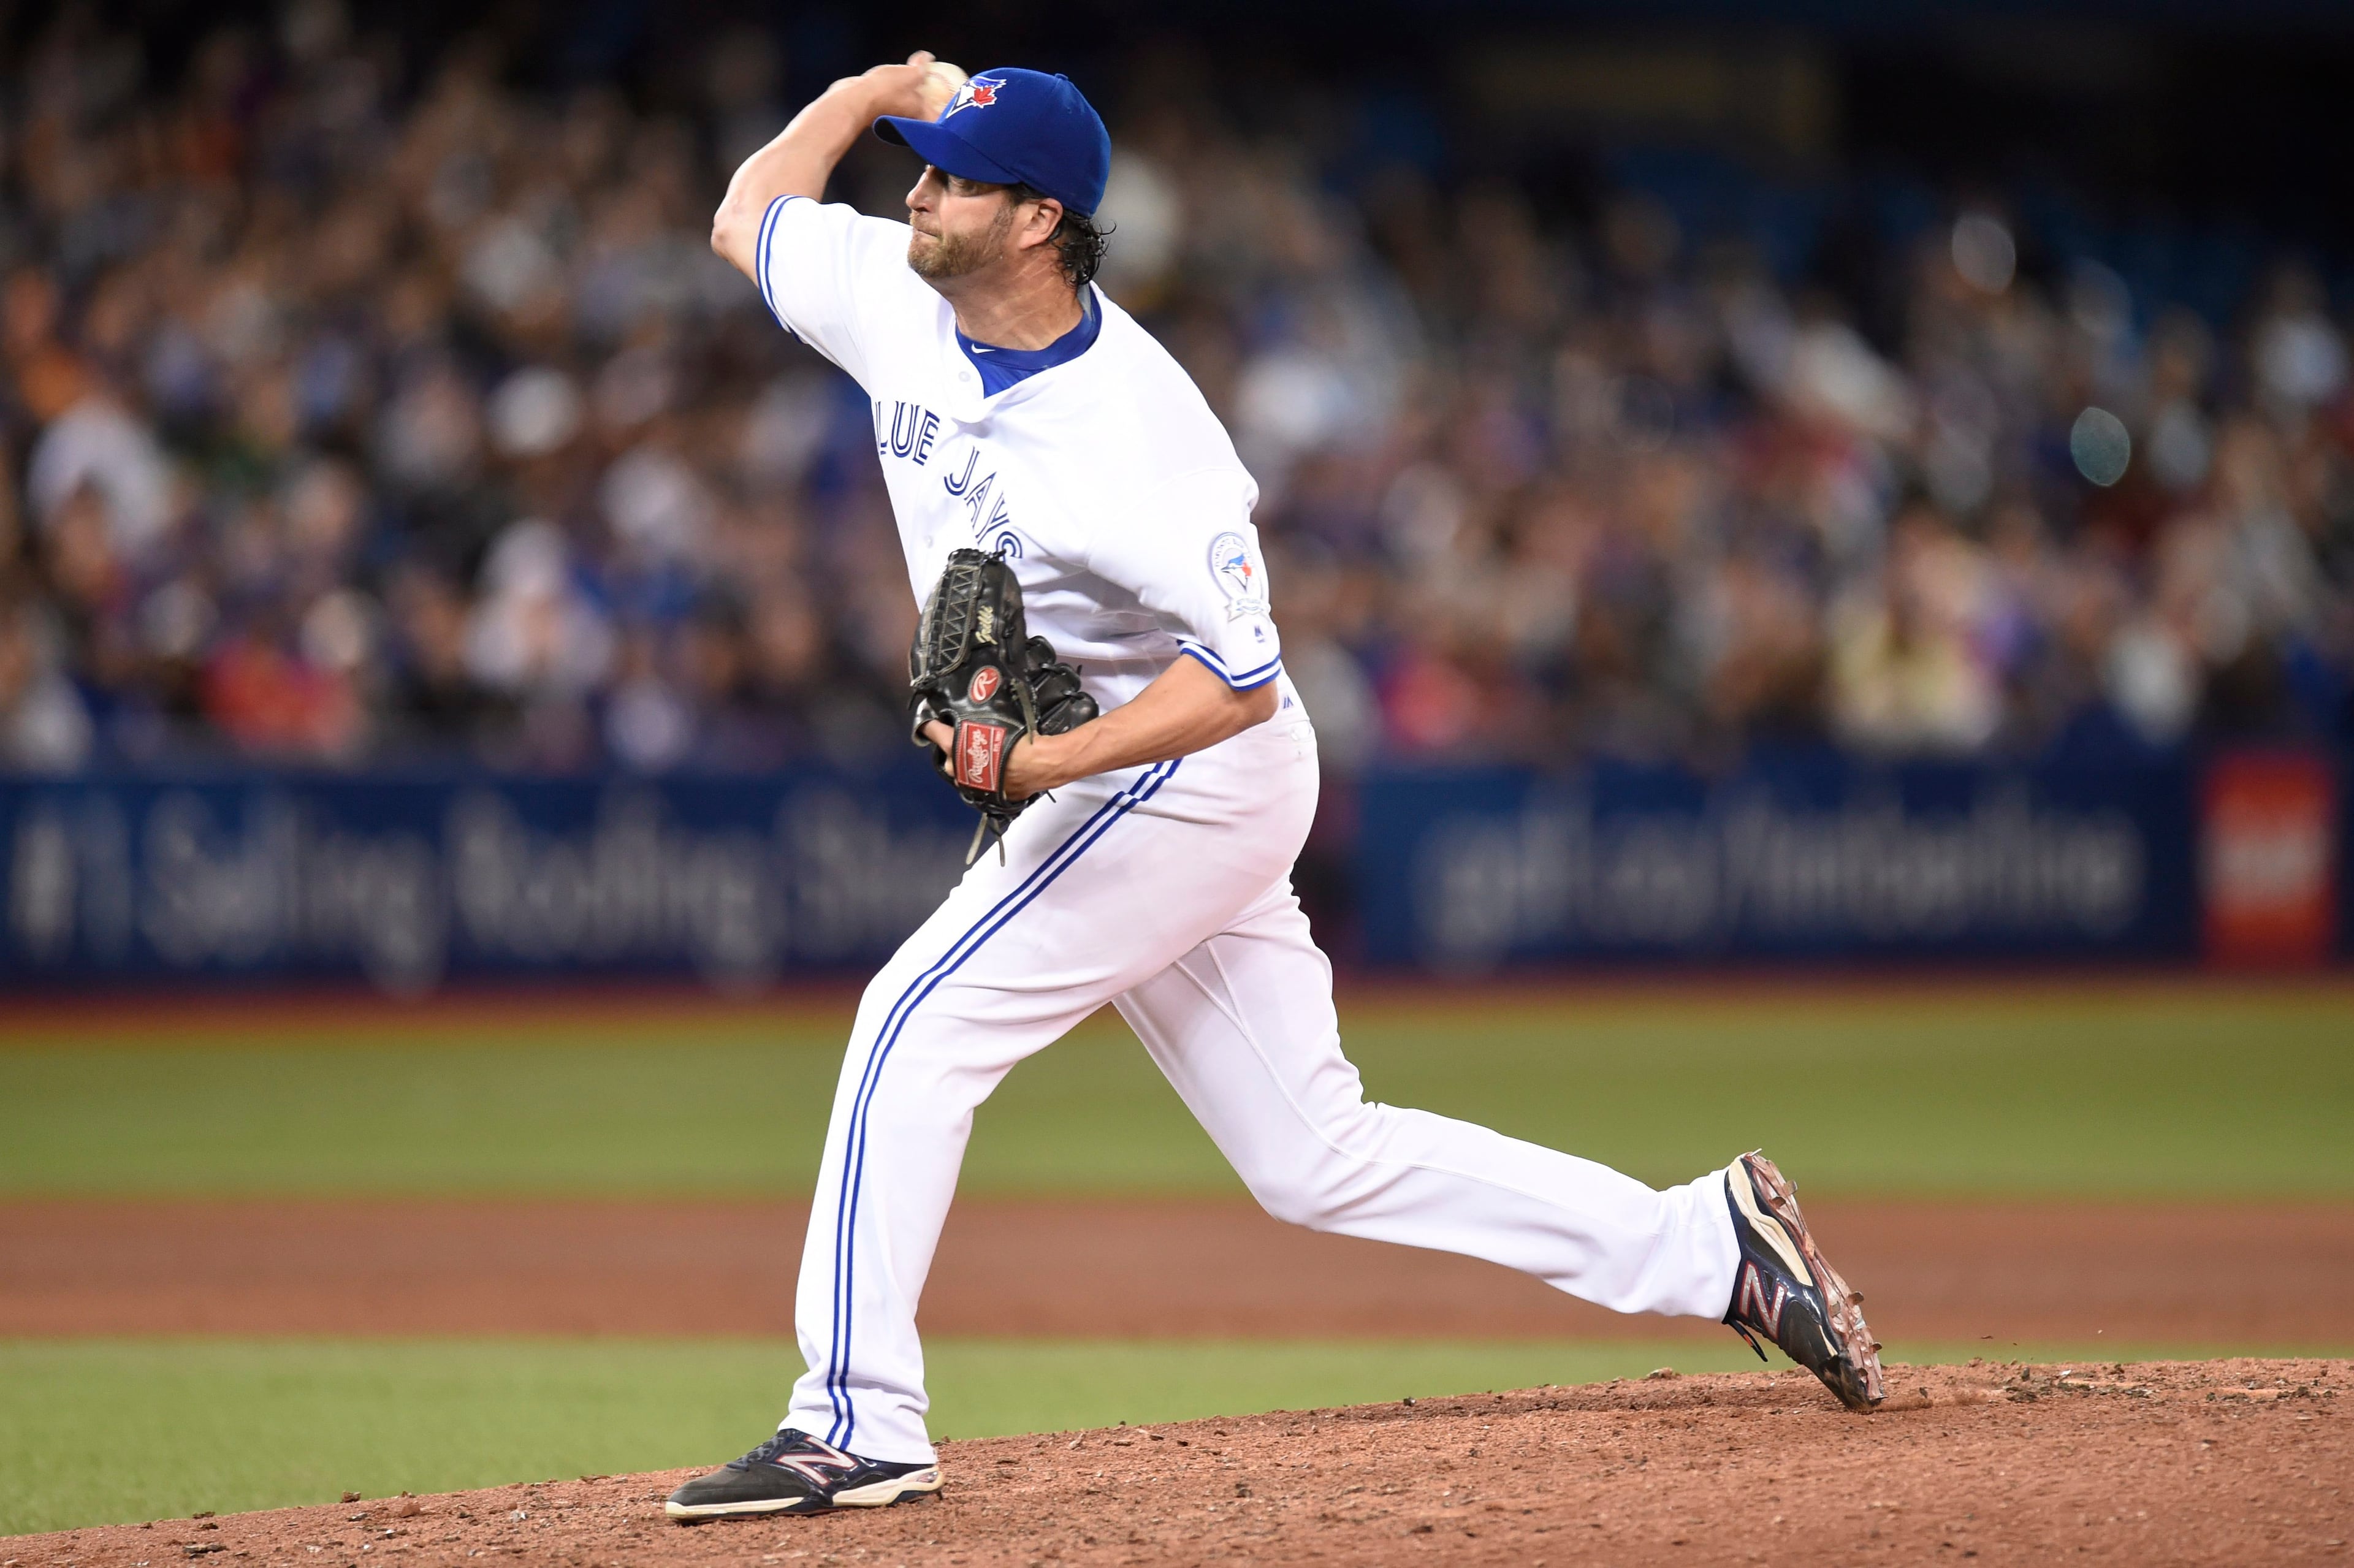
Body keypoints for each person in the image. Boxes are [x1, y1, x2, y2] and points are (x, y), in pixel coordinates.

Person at [665, 53, 1884, 1522]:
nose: (914, 189)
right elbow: (749, 212)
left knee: (912, 1021)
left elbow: (1237, 676)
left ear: (1041, 220)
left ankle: (856, 1417)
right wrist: (869, 91)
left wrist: (1044, 762)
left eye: (951, 174)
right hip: (1151, 771)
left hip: (1191, 767)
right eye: (916, 164)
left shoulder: (1143, 428)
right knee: (1316, 1156)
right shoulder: (892, 294)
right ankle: (1712, 1245)